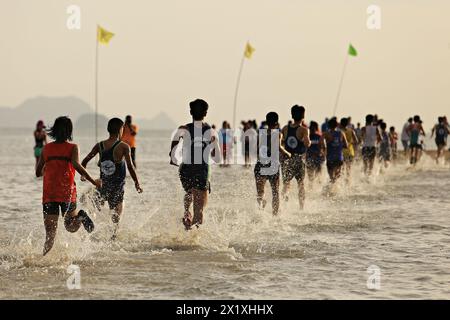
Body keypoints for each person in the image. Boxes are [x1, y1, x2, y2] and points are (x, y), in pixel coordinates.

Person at [35, 116, 101, 256]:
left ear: (54, 130)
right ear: (69, 131)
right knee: (70, 227)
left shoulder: (47, 148)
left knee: (50, 236)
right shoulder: (72, 147)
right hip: (65, 193)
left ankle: (41, 261)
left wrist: (49, 167)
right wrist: (93, 181)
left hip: (51, 194)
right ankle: (80, 217)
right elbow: (78, 166)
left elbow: (37, 172)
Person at [82, 118, 143, 239]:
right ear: (120, 130)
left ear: (108, 130)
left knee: (101, 211)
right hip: (117, 188)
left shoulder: (99, 146)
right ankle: (113, 237)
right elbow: (130, 167)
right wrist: (137, 183)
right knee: (116, 220)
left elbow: (84, 161)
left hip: (103, 187)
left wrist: (83, 175)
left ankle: (93, 231)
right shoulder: (124, 147)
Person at [169, 99, 221, 230]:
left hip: (185, 169)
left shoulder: (183, 129)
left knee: (189, 192)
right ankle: (193, 240)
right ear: (206, 113)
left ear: (190, 112)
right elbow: (217, 156)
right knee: (199, 210)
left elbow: (174, 143)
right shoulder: (210, 131)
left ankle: (187, 212)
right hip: (201, 170)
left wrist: (173, 157)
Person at [255, 112, 291, 215]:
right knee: (275, 192)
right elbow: (279, 147)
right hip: (273, 165)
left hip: (261, 164)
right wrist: (287, 153)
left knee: (260, 192)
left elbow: (257, 149)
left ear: (266, 121)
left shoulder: (261, 132)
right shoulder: (278, 134)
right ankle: (275, 215)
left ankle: (261, 211)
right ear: (277, 122)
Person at [280, 105, 311, 209]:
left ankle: (284, 204)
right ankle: (301, 208)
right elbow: (307, 144)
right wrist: (308, 141)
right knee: (301, 184)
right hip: (299, 160)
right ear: (303, 116)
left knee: (286, 184)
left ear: (292, 115)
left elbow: (281, 144)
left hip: (287, 161)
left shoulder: (285, 128)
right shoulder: (303, 130)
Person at [321, 118, 348, 184]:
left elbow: (320, 143)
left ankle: (331, 190)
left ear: (329, 125)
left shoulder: (326, 134)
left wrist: (326, 146)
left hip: (330, 158)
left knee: (331, 178)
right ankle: (335, 190)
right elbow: (346, 145)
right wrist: (339, 145)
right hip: (339, 158)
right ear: (337, 125)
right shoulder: (341, 133)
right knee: (337, 177)